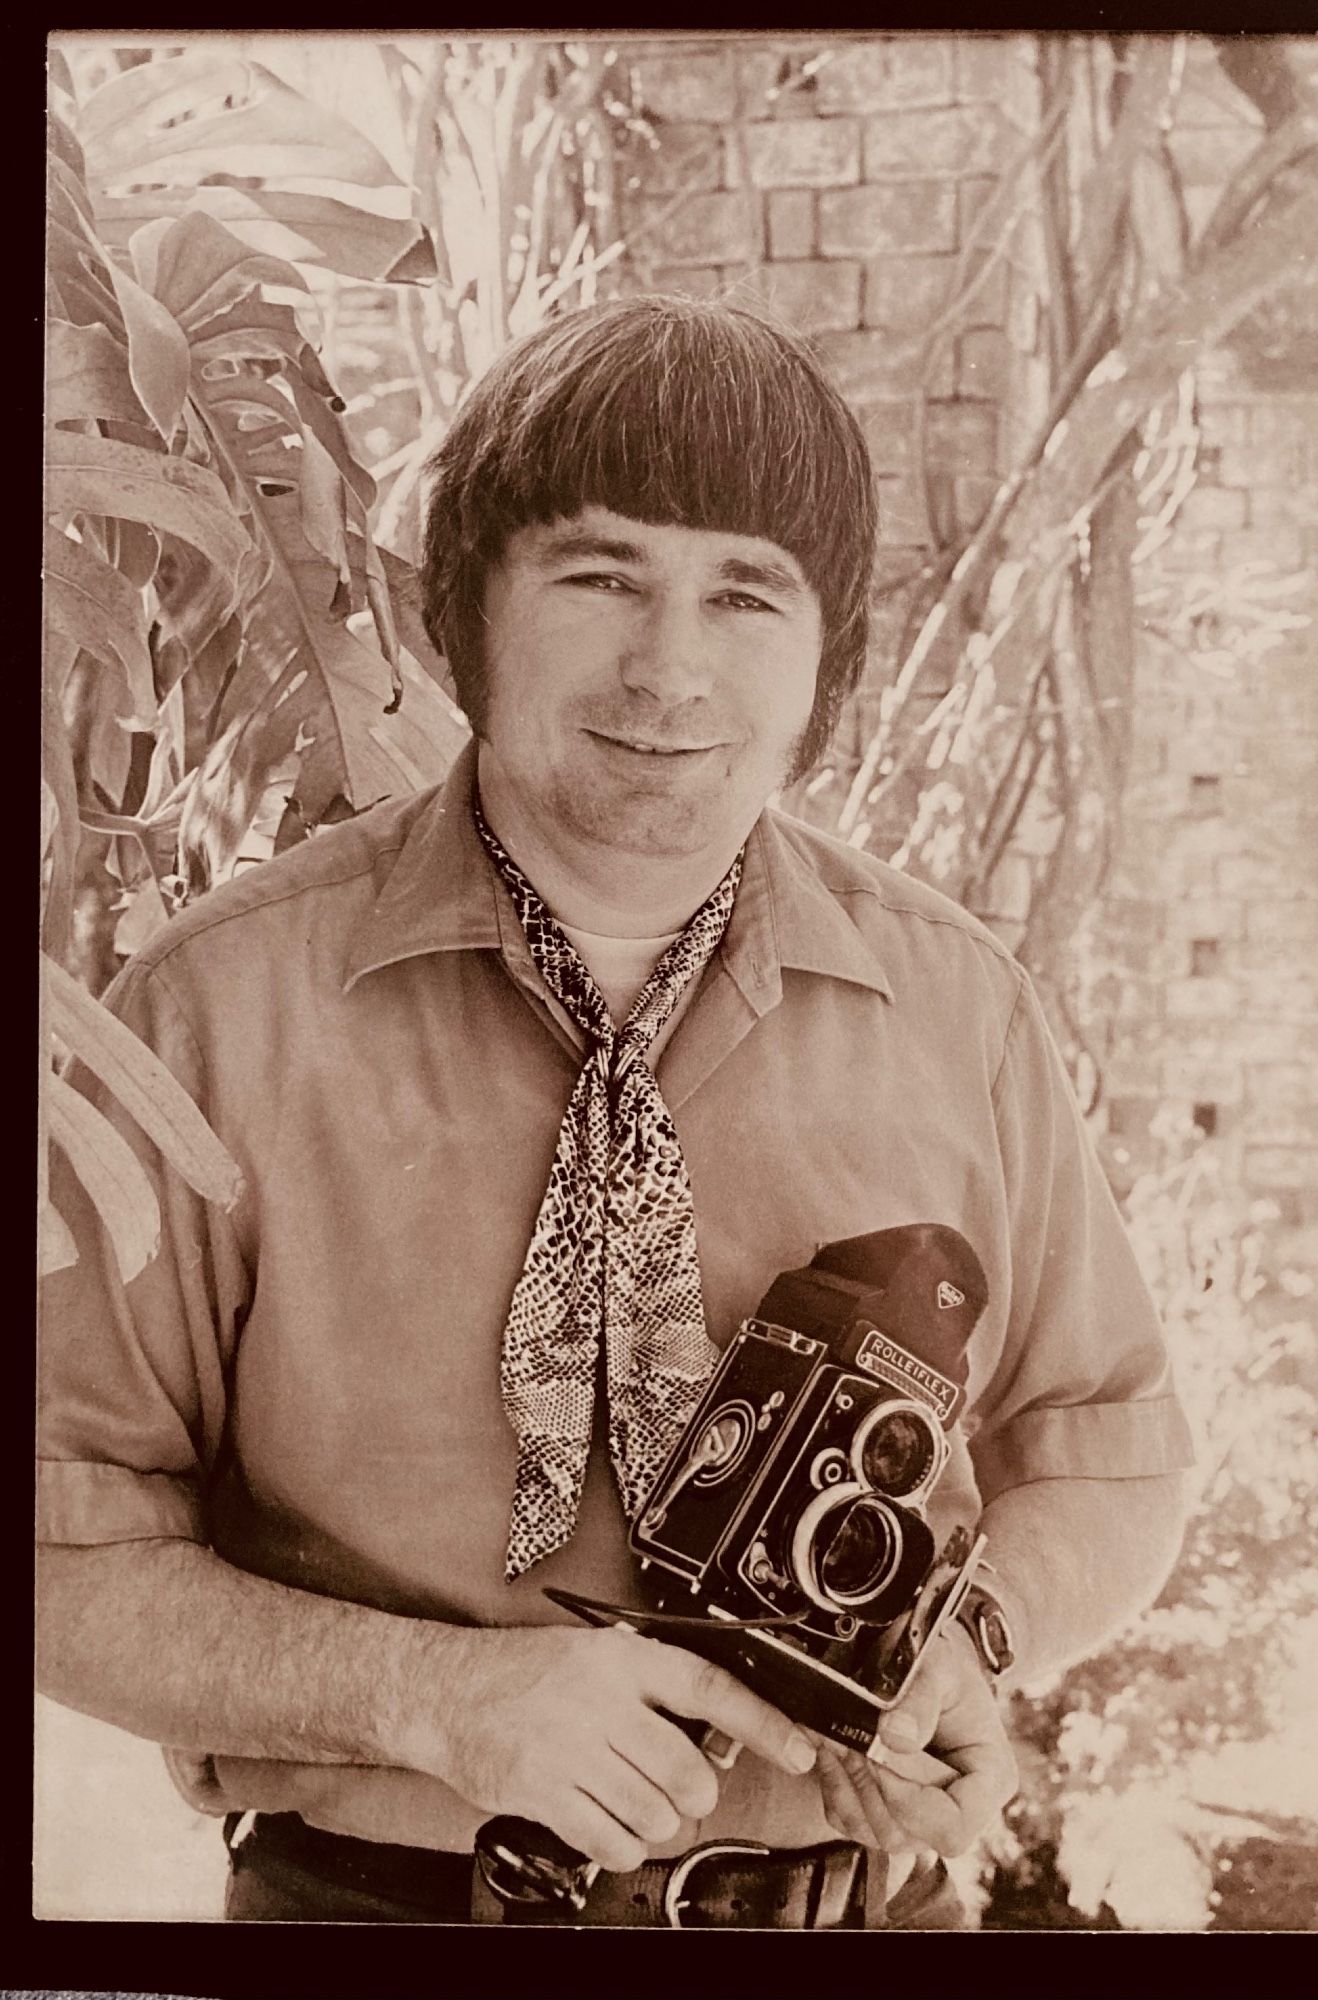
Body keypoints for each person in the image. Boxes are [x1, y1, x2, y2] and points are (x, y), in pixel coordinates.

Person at [36, 295, 1195, 1929]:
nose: (670, 666)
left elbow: (1112, 1453)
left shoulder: (960, 1010)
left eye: (746, 594)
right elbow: (57, 1548)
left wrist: (966, 1629)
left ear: (824, 659)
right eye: (599, 578)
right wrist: (435, 1701)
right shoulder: (217, 1010)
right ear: (471, 607)